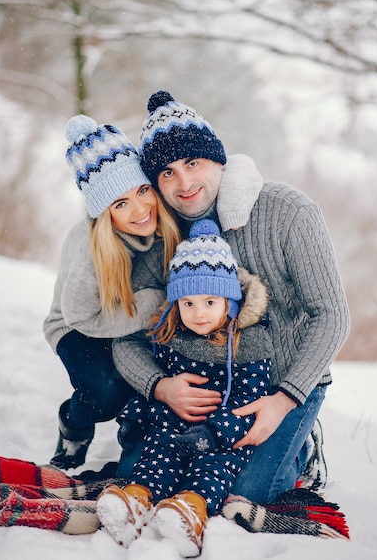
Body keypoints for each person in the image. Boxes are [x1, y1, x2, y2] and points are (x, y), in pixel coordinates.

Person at [112, 90, 351, 514]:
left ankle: (298, 443)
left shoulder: (289, 212)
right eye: (167, 173)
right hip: (193, 388)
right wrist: (161, 387)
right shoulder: (162, 242)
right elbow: (125, 339)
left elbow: (331, 316)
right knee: (142, 477)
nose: (184, 183)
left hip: (281, 384)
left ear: (217, 159)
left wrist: (285, 400)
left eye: (193, 163)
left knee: (239, 493)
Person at [96, 219, 272, 556]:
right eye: (188, 303)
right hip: (173, 424)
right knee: (154, 457)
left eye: (210, 301)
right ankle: (137, 500)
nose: (199, 313)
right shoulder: (170, 336)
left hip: (221, 435)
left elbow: (249, 400)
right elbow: (159, 379)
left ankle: (191, 509)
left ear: (229, 302)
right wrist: (145, 415)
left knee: (212, 469)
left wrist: (215, 433)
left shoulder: (249, 343)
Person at [43, 113, 180, 470]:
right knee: (107, 390)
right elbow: (80, 315)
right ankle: (73, 424)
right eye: (121, 204)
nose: (140, 209)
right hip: (78, 324)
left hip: (129, 317)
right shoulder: (90, 253)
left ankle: (137, 443)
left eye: (142, 191)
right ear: (105, 213)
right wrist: (154, 303)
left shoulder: (164, 222)